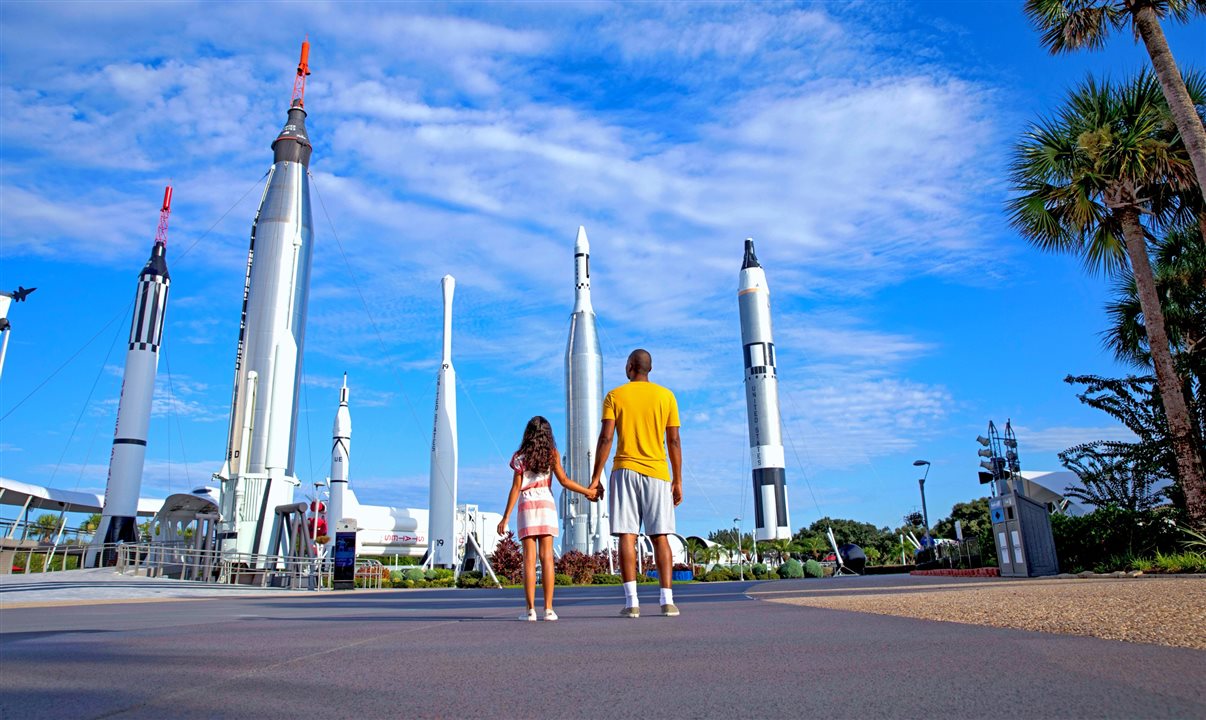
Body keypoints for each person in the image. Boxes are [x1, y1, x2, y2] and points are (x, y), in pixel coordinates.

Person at [590, 349, 682, 618]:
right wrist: (678, 480)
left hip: (625, 470)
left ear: (630, 366)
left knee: (627, 537)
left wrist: (596, 477)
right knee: (660, 536)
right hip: (658, 472)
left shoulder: (615, 396)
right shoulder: (666, 396)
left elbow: (606, 438)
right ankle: (667, 601)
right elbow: (674, 440)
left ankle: (632, 604)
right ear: (649, 369)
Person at [498, 416, 599, 621]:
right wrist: (587, 492)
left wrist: (505, 517)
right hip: (546, 504)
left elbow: (516, 488)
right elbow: (564, 481)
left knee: (529, 559)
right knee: (547, 559)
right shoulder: (551, 454)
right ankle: (549, 609)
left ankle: (530, 611)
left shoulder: (519, 457)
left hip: (527, 505)